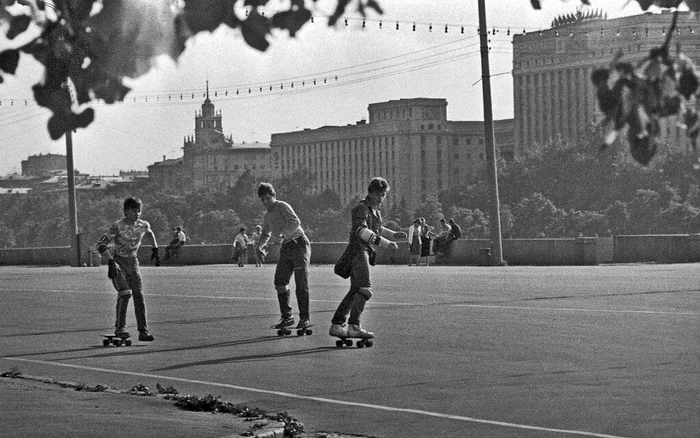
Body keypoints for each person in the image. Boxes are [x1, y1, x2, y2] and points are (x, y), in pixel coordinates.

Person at [329, 177, 406, 339]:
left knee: (355, 290)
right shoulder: (361, 208)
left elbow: (377, 228)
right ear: (370, 192)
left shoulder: (374, 210)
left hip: (363, 251)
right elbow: (361, 231)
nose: (381, 198)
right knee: (365, 289)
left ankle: (337, 325)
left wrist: (393, 234)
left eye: (384, 195)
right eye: (379, 194)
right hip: (358, 251)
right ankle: (354, 326)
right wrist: (386, 243)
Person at [96, 197, 159, 341]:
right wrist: (110, 260)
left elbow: (149, 233)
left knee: (138, 295)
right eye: (133, 211)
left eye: (139, 211)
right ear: (126, 211)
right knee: (124, 293)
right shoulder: (117, 226)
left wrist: (155, 248)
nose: (137, 214)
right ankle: (120, 328)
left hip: (133, 262)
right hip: (119, 261)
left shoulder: (143, 225)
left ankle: (143, 331)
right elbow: (101, 245)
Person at [256, 182, 312, 330]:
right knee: (280, 282)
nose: (265, 202)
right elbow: (266, 233)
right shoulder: (267, 215)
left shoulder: (282, 206)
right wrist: (259, 245)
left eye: (268, 198)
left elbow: (295, 221)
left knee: (301, 283)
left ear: (273, 196)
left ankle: (304, 318)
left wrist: (282, 235)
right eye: (262, 199)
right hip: (286, 248)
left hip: (299, 243)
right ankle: (287, 317)